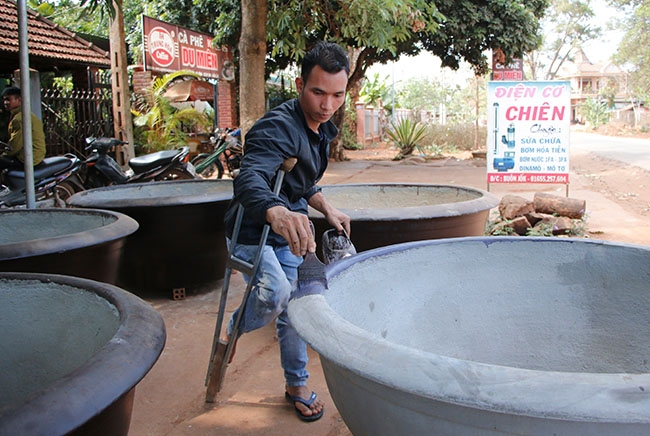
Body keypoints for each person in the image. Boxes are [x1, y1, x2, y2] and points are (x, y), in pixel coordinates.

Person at [222, 41, 351, 422]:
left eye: (337, 95)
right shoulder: (276, 128)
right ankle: (235, 325)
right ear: (299, 85)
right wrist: (276, 212)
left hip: (290, 232)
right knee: (276, 293)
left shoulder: (322, 128)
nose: (327, 105)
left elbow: (300, 181)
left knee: (297, 309)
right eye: (318, 92)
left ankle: (296, 384)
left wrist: (325, 205)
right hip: (252, 232)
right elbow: (251, 177)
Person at [1, 86, 46, 170]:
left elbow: (14, 146)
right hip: (34, 156)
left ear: (19, 99)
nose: (5, 102)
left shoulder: (19, 119)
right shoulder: (25, 114)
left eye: (8, 99)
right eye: (4, 100)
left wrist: (4, 154)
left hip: (28, 159)